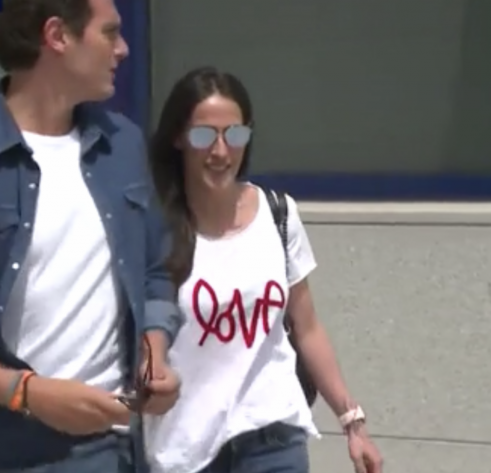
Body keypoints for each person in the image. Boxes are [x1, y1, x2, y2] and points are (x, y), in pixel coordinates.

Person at [0, 0, 182, 471]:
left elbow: (153, 272)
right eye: (109, 32)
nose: (123, 49)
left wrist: (153, 356)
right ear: (57, 36)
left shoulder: (122, 146)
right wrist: (26, 393)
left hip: (111, 449)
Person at [142, 66, 384, 473]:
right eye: (204, 136)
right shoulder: (153, 229)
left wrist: (352, 422)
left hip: (273, 437)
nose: (221, 151)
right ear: (178, 138)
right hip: (186, 449)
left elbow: (306, 327)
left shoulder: (277, 213)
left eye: (234, 135)